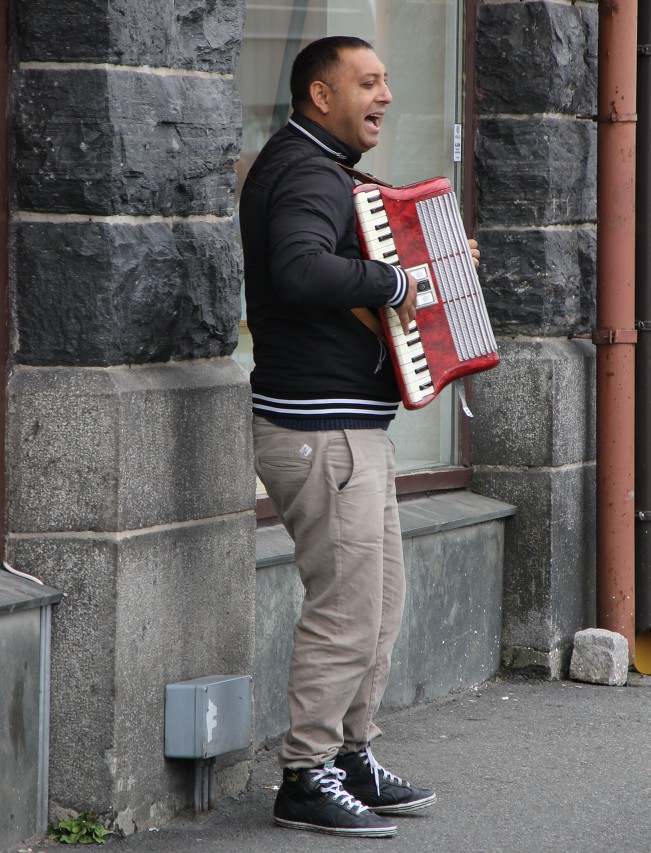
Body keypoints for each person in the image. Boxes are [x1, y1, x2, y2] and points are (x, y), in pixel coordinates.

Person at [239, 36, 479, 838]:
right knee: (346, 613)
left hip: (348, 424)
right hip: (319, 427)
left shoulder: (319, 169)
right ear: (319, 95)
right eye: (367, 82)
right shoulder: (306, 172)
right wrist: (405, 281)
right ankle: (304, 775)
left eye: (386, 81)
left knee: (378, 606)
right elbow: (300, 271)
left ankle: (347, 754)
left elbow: (339, 258)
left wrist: (423, 264)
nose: (383, 95)